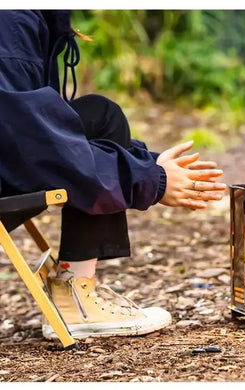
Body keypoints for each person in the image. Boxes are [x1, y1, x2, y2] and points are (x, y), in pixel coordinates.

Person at [0, 10, 227, 339]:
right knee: (97, 121)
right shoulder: (10, 21)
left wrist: (150, 163)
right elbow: (37, 148)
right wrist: (154, 181)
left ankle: (73, 287)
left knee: (99, 116)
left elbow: (51, 129)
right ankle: (76, 302)